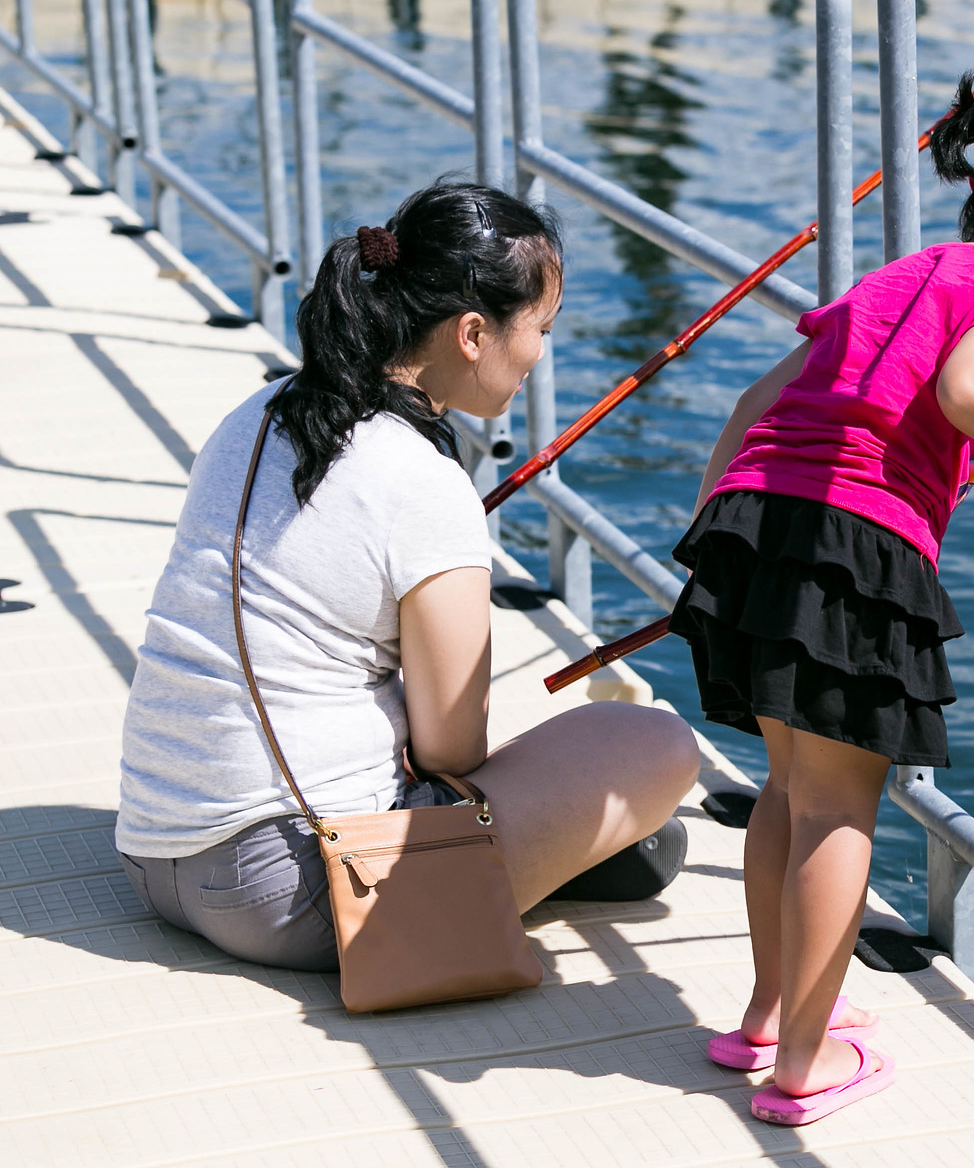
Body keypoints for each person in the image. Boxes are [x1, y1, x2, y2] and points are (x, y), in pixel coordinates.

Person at [672, 74, 974, 1125]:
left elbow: (762, 402)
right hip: (852, 541)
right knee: (841, 805)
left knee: (786, 790)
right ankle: (805, 1061)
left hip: (752, 520)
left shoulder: (904, 275)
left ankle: (764, 1015)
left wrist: (719, 531)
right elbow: (969, 391)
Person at [116, 181, 700, 972]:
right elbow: (451, 747)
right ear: (471, 332)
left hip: (153, 852)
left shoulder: (260, 410)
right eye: (538, 329)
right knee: (654, 745)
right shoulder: (421, 479)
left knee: (636, 835)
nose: (538, 354)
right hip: (294, 891)